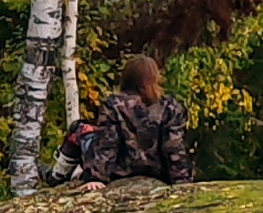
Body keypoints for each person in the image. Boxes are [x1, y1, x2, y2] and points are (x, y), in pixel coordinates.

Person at [77, 54, 194, 186]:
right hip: (157, 173)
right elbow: (173, 147)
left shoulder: (114, 104)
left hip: (121, 172)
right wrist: (182, 181)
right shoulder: (170, 107)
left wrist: (96, 177)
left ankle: (58, 175)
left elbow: (107, 143)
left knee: (78, 130)